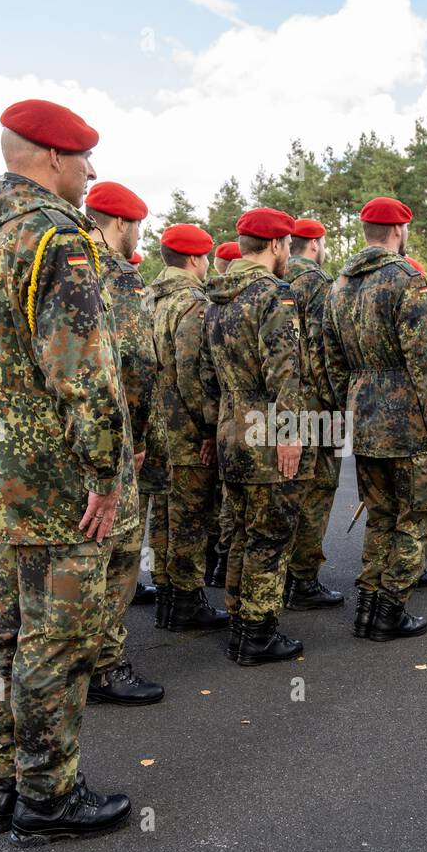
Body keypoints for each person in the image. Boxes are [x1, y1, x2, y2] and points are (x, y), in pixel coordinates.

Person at [0, 98, 133, 843]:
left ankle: (6, 781)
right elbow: (83, 370)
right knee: (59, 640)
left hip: (3, 478)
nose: (92, 172)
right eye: (84, 158)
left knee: (10, 632)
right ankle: (48, 795)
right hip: (60, 481)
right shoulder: (55, 239)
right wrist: (105, 470)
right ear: (53, 158)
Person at [325, 197, 427, 639]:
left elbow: (333, 358)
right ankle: (390, 608)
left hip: (364, 415)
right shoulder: (405, 279)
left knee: (380, 515)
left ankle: (368, 606)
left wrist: (352, 405)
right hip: (407, 419)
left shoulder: (340, 284)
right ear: (398, 230)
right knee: (416, 515)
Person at [201, 207, 312, 664]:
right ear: (277, 245)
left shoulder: (217, 296)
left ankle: (240, 624)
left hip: (231, 425)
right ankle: (258, 633)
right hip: (266, 429)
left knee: (243, 533)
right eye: (287, 244)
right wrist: (291, 433)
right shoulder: (274, 296)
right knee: (270, 535)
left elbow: (206, 373)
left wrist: (217, 424)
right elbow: (286, 372)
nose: (288, 252)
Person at [83, 181, 165, 703]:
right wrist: (137, 437)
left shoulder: (60, 258)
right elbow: (136, 361)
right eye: (137, 225)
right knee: (115, 556)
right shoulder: (116, 274)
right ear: (121, 224)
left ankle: (80, 660)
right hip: (111, 434)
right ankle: (104, 666)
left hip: (55, 439)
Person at [146, 223, 231, 633]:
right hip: (185, 427)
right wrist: (209, 427)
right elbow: (192, 373)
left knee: (163, 515)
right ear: (196, 259)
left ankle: (165, 592)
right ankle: (185, 600)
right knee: (191, 518)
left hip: (156, 423)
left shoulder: (150, 296)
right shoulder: (193, 303)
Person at [282, 218, 344, 610]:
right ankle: (302, 580)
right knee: (318, 489)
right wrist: (338, 405)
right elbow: (325, 351)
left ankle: (281, 574)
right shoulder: (318, 283)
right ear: (316, 244)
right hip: (314, 404)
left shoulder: (276, 276)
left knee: (286, 489)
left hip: (278, 401)